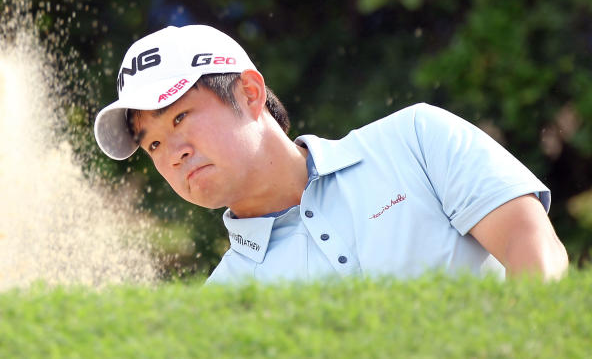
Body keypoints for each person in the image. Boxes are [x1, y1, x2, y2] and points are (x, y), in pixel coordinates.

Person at [93, 24, 569, 283]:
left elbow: (533, 246)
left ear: (251, 93)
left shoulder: (416, 139)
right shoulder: (223, 302)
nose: (171, 153)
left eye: (180, 118)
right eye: (153, 143)